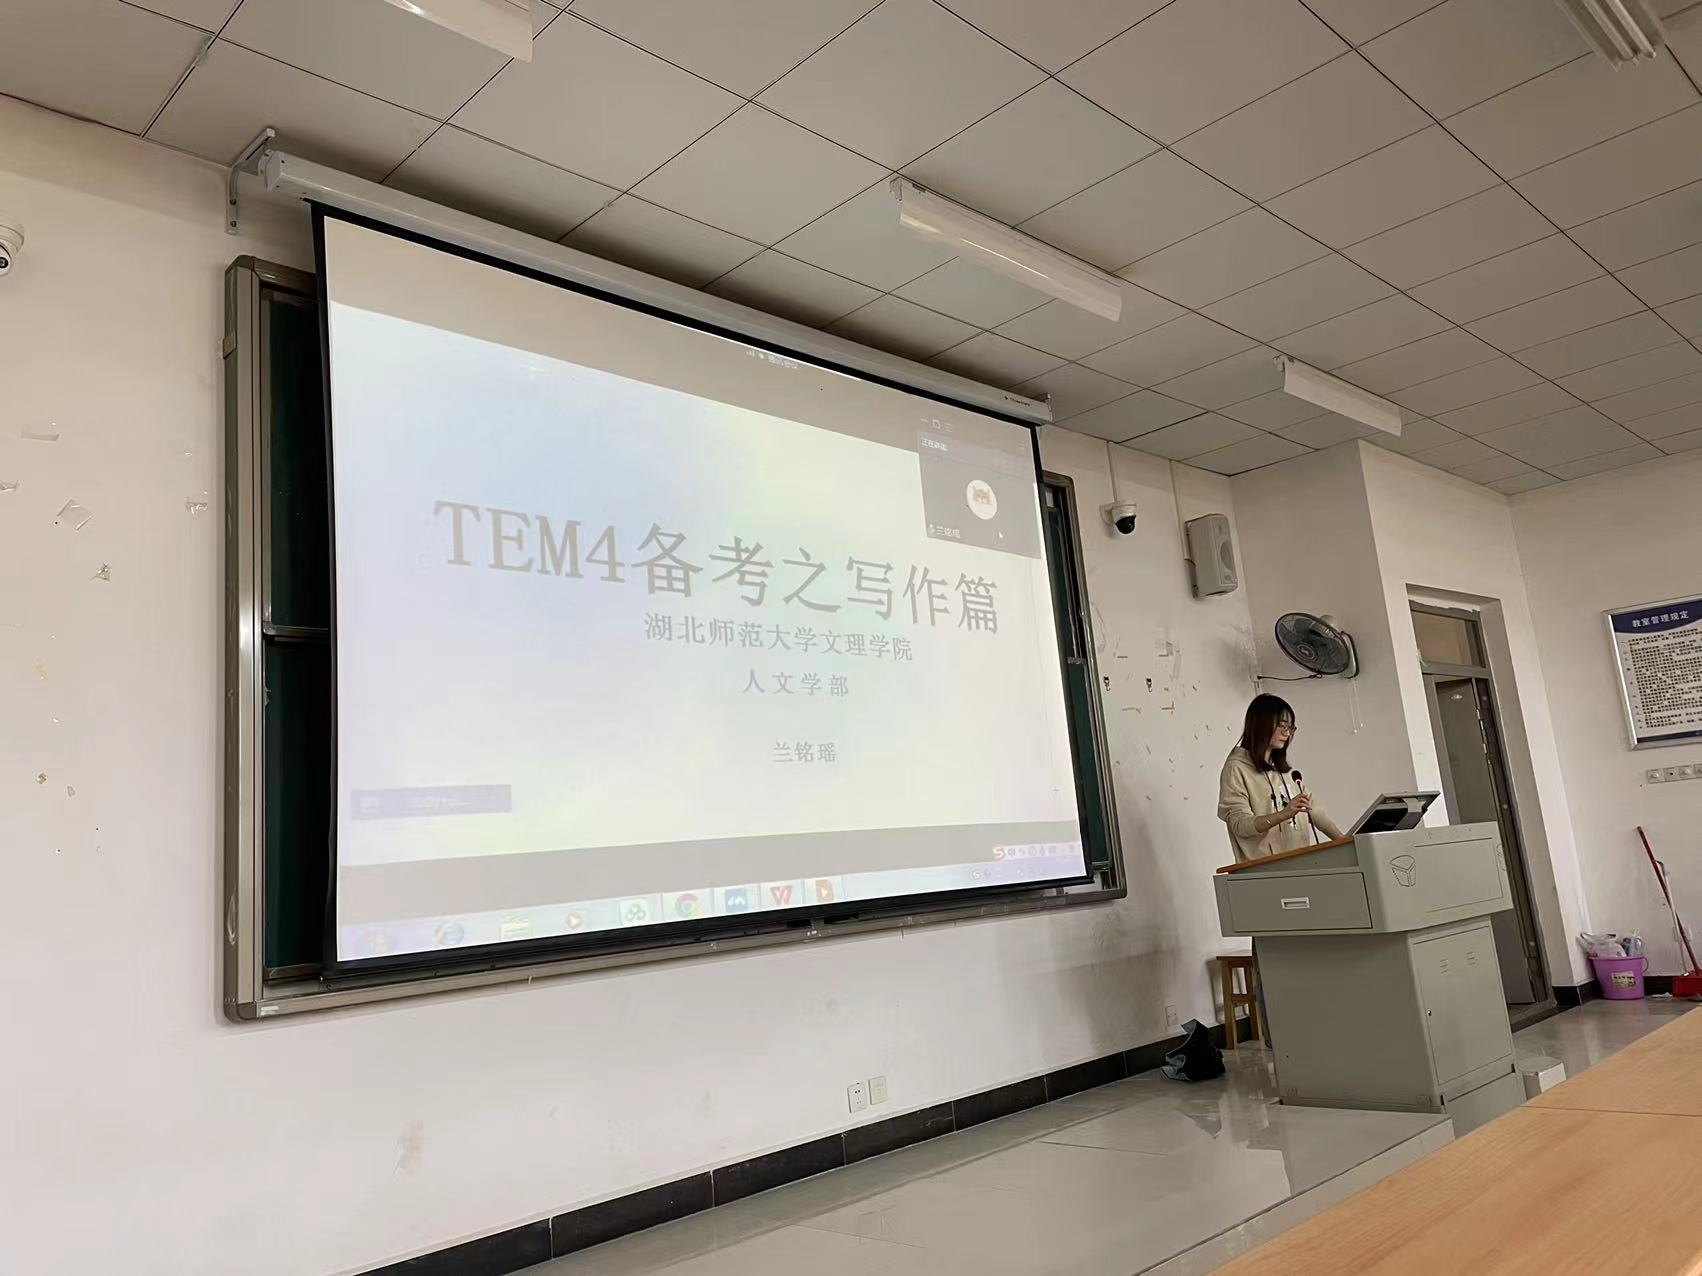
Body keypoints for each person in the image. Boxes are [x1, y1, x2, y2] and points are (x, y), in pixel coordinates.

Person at [1217, 693, 1344, 863]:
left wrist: (1347, 843)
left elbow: (1316, 813)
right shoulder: (1236, 768)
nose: (1287, 733)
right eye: (1282, 726)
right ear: (1261, 724)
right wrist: (1284, 814)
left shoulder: (1285, 772)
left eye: (1291, 728)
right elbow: (1240, 825)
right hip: (1264, 870)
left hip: (1301, 863)